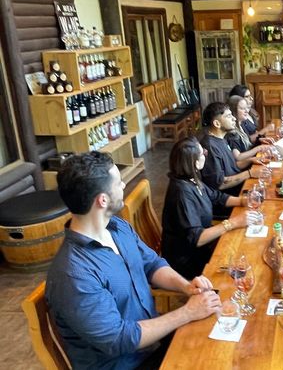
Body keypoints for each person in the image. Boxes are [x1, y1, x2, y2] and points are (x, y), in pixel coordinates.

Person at [46, 152, 222, 370]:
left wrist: (187, 287)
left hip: (154, 344)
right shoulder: (73, 274)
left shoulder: (117, 228)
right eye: (118, 182)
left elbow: (152, 264)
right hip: (128, 363)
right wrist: (186, 312)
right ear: (102, 200)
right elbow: (118, 339)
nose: (123, 184)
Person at [162, 137, 251, 279]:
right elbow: (196, 238)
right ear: (195, 163)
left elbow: (216, 197)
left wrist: (244, 201)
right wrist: (233, 223)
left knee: (244, 247)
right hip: (188, 260)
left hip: (201, 247)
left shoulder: (190, 178)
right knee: (244, 259)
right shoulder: (181, 194)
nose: (206, 152)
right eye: (202, 152)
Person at [200, 101, 262, 197]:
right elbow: (220, 183)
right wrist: (250, 173)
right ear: (217, 123)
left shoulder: (221, 138)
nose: (234, 118)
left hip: (240, 186)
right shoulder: (210, 146)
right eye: (228, 116)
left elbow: (231, 166)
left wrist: (251, 160)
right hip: (230, 197)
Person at [226, 95, 274, 166]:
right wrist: (258, 148)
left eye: (247, 108)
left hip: (253, 160)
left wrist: (259, 140)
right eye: (242, 109)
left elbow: (246, 142)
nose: (247, 111)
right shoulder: (232, 132)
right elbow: (238, 157)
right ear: (233, 111)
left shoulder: (241, 125)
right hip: (247, 165)